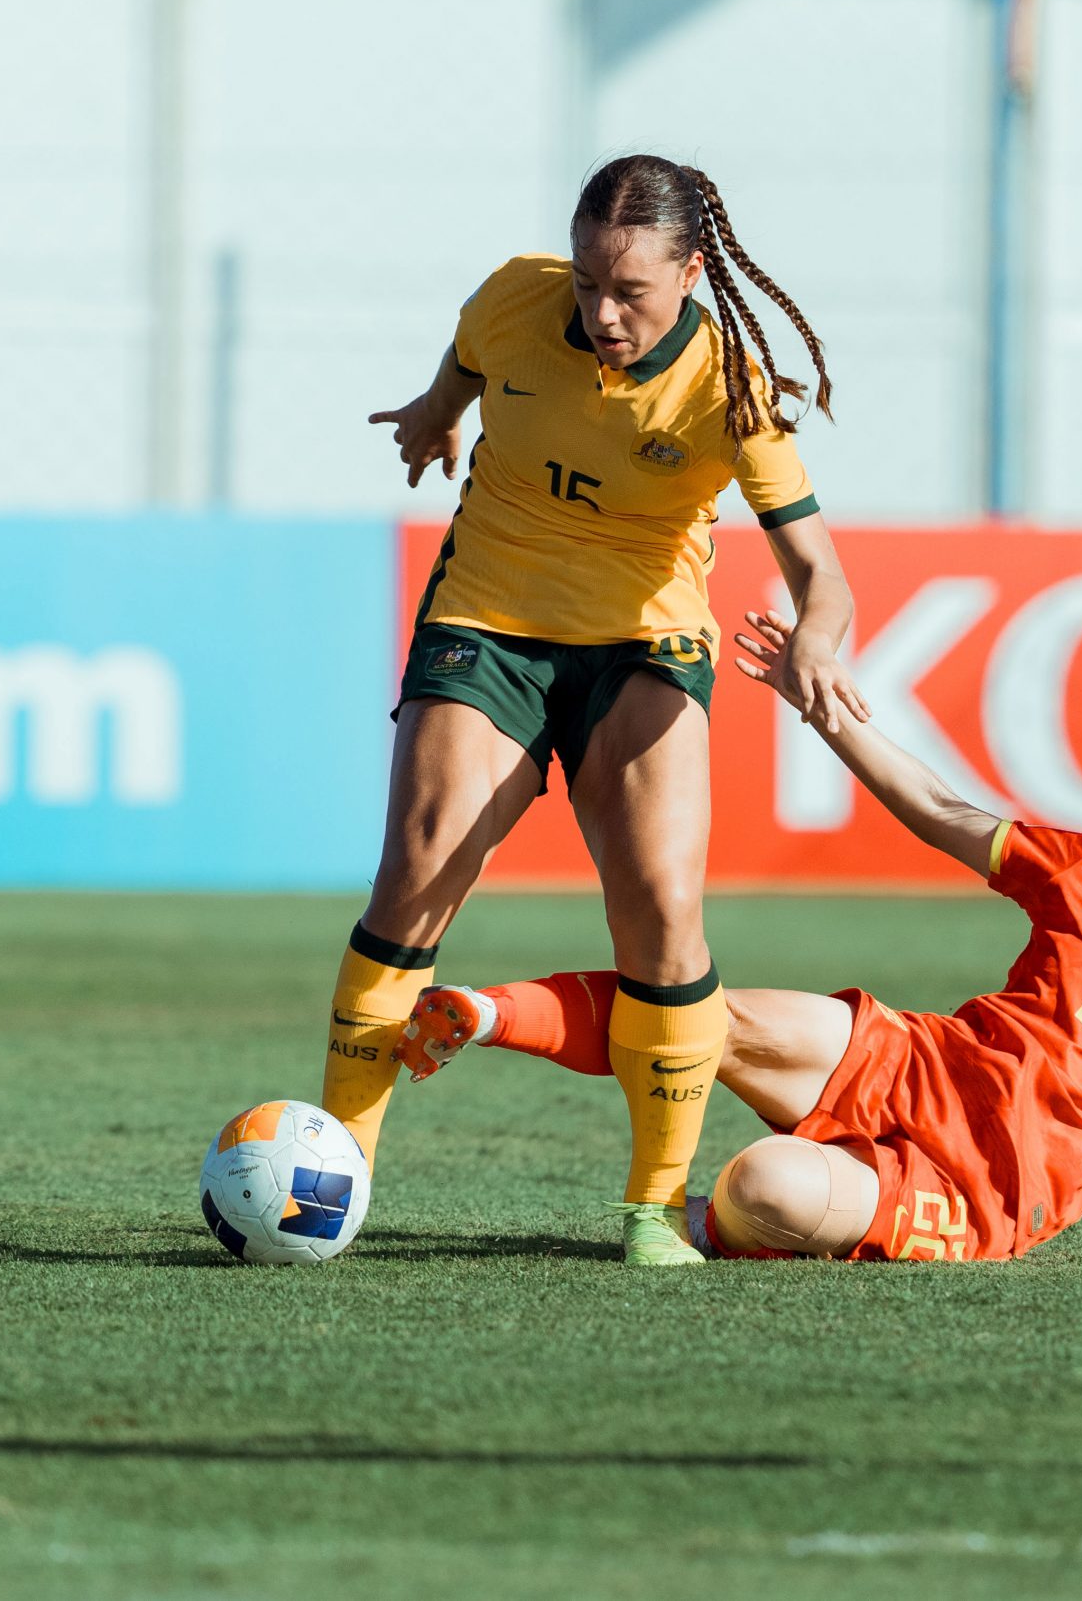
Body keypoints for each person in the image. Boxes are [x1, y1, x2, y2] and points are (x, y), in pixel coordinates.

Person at [392, 638, 1082, 1270]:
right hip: (919, 1060)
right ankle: (485, 1013)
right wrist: (833, 718)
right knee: (712, 1011)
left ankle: (729, 1219)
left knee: (765, 1182)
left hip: (984, 1194)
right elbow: (942, 809)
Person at [326, 155, 869, 1266]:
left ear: (691, 272)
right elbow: (471, 359)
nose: (601, 311)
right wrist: (436, 412)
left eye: (630, 290)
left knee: (662, 909)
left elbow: (821, 572)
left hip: (641, 640)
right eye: (586, 283)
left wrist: (817, 634)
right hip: (489, 615)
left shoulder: (732, 385)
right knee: (416, 868)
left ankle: (651, 1207)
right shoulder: (513, 297)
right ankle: (338, 1166)